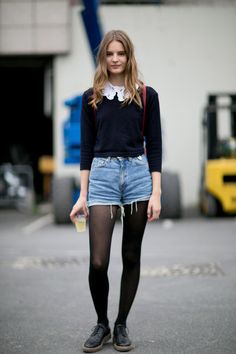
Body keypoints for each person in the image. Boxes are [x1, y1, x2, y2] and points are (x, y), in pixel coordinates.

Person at [70, 29, 162, 353]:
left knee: (131, 255)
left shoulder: (146, 95)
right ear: (103, 58)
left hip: (138, 176)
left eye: (120, 53)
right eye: (109, 54)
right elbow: (85, 151)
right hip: (103, 176)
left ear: (128, 56)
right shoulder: (90, 98)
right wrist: (82, 195)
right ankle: (101, 323)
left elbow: (155, 148)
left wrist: (157, 192)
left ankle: (121, 323)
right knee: (98, 261)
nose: (115, 59)